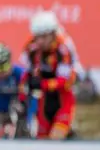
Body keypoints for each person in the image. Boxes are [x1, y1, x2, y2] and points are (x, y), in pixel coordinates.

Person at [17, 11, 77, 140]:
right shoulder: (31, 48)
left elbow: (65, 81)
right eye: (38, 37)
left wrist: (42, 84)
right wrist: (22, 97)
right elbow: (24, 75)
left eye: (44, 37)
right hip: (43, 103)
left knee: (55, 138)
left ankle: (69, 132)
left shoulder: (63, 49)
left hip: (63, 101)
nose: (40, 41)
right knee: (42, 143)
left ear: (53, 34)